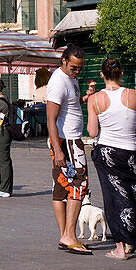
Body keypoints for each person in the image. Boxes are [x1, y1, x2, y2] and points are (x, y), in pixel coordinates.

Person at [88, 59, 136, 260]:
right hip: (130, 152)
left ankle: (120, 247)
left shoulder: (95, 99)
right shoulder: (133, 94)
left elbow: (92, 130)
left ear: (102, 74)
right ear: (121, 73)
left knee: (113, 199)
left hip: (107, 153)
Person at [46, 44, 90, 255]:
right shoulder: (58, 82)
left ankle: (65, 235)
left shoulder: (69, 79)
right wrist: (58, 149)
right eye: (74, 67)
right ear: (64, 61)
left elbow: (69, 106)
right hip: (68, 142)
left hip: (67, 140)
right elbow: (51, 118)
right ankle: (69, 235)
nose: (77, 71)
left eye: (80, 68)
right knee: (79, 184)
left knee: (61, 188)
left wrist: (84, 99)